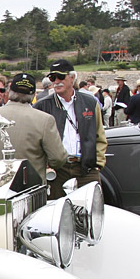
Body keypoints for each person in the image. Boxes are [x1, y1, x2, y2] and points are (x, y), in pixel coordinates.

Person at [0, 73, 67, 183]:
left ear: (9, 92)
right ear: (33, 95)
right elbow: (58, 158)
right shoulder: (45, 120)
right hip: (30, 187)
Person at [33, 60, 107, 199]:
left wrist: (97, 163)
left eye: (60, 77)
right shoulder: (42, 106)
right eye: (52, 78)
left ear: (72, 77)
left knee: (90, 212)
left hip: (86, 168)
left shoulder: (90, 102)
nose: (56, 81)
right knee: (55, 213)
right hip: (57, 169)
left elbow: (99, 135)